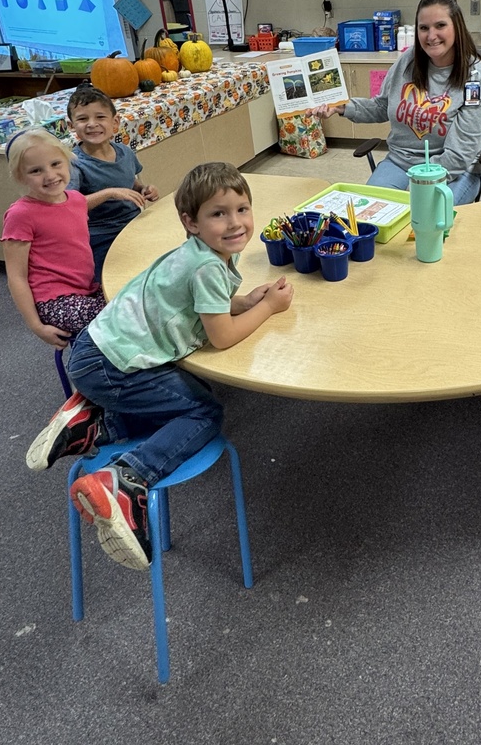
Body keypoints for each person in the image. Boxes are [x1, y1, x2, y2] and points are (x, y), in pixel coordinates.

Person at [25, 162, 294, 571]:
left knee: (184, 398)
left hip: (96, 347)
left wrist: (244, 302)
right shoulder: (207, 266)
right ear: (191, 222)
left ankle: (95, 425)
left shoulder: (199, 254)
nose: (235, 222)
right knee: (204, 411)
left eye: (242, 209)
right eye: (218, 213)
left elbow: (203, 309)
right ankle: (126, 480)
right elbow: (221, 337)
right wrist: (270, 308)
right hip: (111, 368)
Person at [312, 0, 481, 206]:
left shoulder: (477, 75)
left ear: (456, 26)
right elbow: (382, 107)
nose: (431, 36)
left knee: (426, 213)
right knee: (369, 213)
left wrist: (420, 182)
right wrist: (341, 107)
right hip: (400, 163)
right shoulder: (407, 61)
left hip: (455, 170)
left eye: (440, 25)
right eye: (424, 28)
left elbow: (461, 152)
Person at [2, 127, 105, 348]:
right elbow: (16, 276)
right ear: (20, 176)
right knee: (118, 316)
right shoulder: (21, 214)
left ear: (68, 161)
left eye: (55, 164)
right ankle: (87, 378)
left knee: (135, 297)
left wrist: (112, 192)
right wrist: (36, 326)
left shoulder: (76, 199)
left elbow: (69, 212)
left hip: (86, 290)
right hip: (54, 302)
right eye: (36, 171)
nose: (49, 175)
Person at [66, 85, 159, 282]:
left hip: (135, 223)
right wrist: (109, 193)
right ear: (71, 126)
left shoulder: (124, 152)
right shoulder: (74, 163)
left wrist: (143, 189)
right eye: (83, 119)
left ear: (115, 122)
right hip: (102, 236)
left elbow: (130, 181)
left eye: (100, 117)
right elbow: (69, 206)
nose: (92, 124)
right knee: (119, 281)